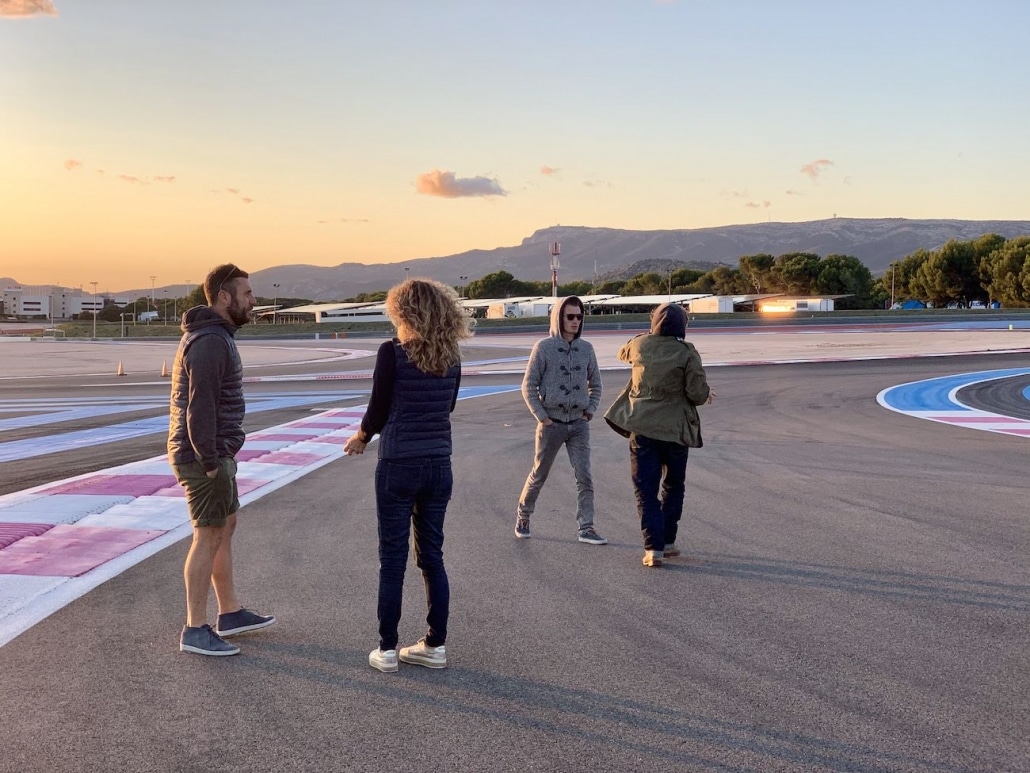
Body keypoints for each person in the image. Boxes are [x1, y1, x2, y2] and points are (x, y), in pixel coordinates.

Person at [344, 278, 472, 673]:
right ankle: (435, 645)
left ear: (404, 313)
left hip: (399, 464)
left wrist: (362, 436)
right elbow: (448, 406)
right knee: (433, 557)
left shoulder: (393, 353)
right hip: (438, 464)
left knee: (393, 559)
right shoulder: (451, 357)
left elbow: (378, 407)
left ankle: (386, 648)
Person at [168, 263, 275, 656]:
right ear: (225, 297)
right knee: (208, 533)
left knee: (224, 526)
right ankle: (195, 628)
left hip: (216, 453)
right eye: (247, 293)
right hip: (203, 456)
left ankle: (229, 612)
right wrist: (210, 461)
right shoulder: (211, 340)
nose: (253, 300)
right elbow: (200, 407)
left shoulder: (217, 336)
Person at [603, 303, 714, 568]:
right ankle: (668, 541)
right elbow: (697, 394)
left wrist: (645, 336)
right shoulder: (687, 352)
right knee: (673, 485)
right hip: (675, 431)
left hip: (642, 428)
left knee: (645, 489)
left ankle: (653, 548)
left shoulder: (640, 345)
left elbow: (622, 353)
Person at [515, 296, 607, 545]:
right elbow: (528, 385)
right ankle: (523, 516)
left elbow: (596, 384)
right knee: (539, 474)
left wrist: (590, 411)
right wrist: (542, 417)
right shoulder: (543, 348)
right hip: (551, 423)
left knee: (585, 476)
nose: (575, 321)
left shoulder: (586, 349)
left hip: (579, 424)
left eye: (579, 317)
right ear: (559, 317)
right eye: (570, 316)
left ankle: (586, 527)